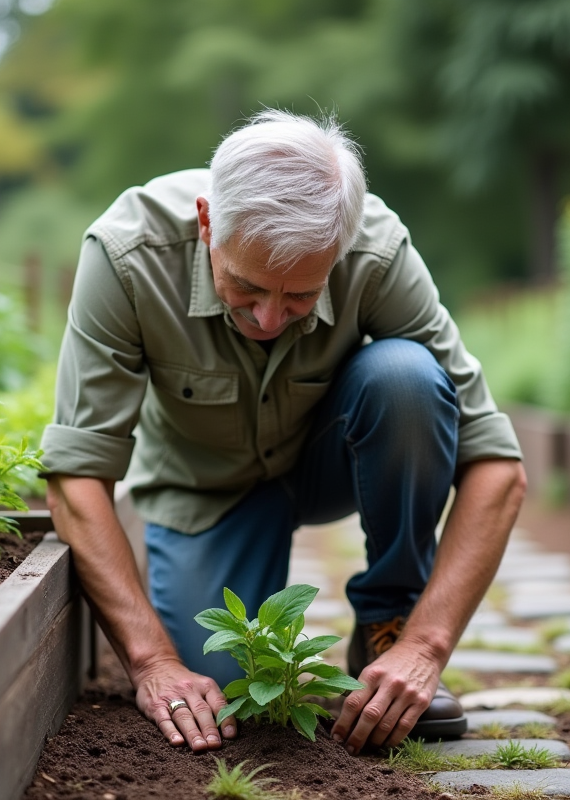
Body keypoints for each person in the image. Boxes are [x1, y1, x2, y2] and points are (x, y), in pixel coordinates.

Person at [41, 109, 526, 757]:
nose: (269, 317)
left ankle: (388, 624)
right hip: (206, 487)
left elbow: (498, 467)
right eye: (245, 286)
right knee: (223, 693)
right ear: (209, 222)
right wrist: (152, 659)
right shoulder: (128, 254)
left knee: (407, 378)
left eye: (300, 296)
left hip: (329, 460)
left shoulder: (376, 250)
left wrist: (426, 647)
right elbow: (77, 477)